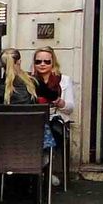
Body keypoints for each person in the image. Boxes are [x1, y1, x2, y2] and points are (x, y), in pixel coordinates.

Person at [30, 47, 76, 183]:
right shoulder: (29, 80)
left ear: (53, 63)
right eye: (38, 61)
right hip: (34, 120)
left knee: (50, 131)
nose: (42, 64)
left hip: (55, 120)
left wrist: (58, 102)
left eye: (46, 61)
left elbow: (70, 108)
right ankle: (35, 171)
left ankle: (43, 169)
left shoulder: (64, 80)